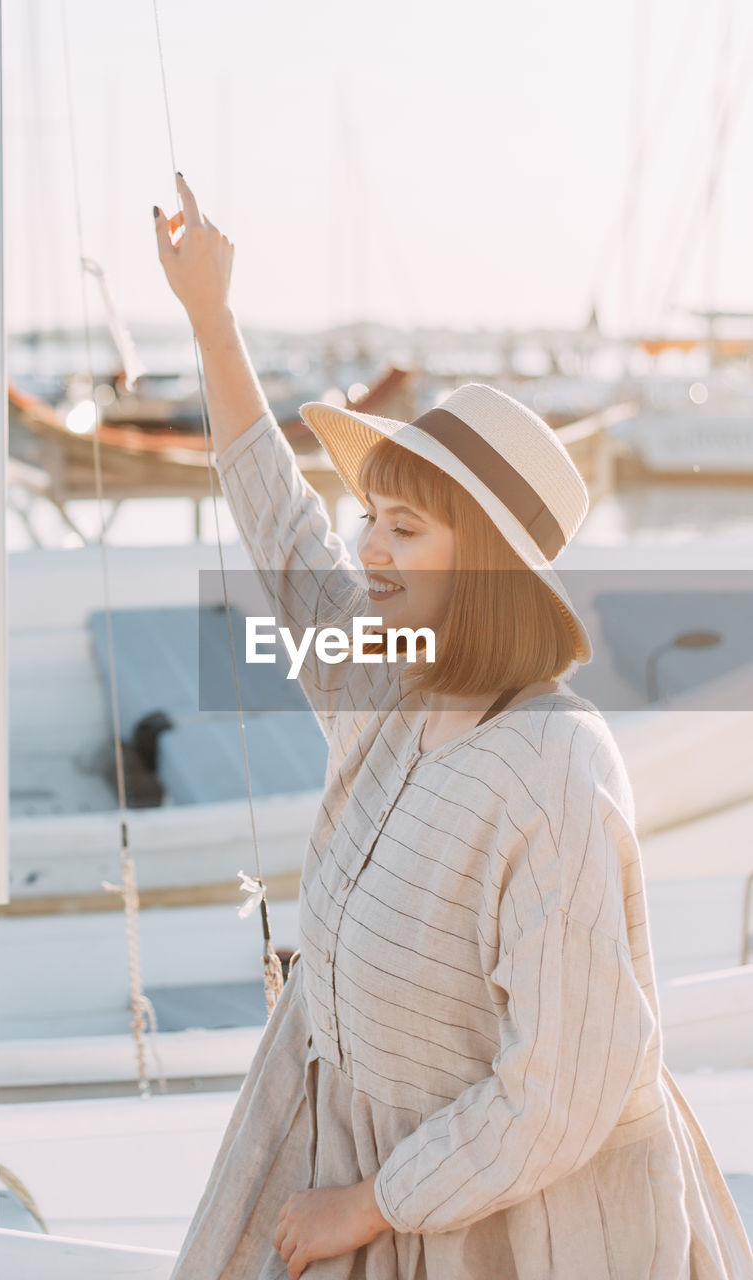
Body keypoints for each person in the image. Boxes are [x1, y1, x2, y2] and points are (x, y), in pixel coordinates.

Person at [153, 175, 753, 1280]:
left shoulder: (553, 775)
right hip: (361, 1184)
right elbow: (285, 539)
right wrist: (212, 320)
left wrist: (369, 1203)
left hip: (498, 1231)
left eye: (402, 525)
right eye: (369, 516)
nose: (367, 548)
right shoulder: (389, 679)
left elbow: (559, 1090)